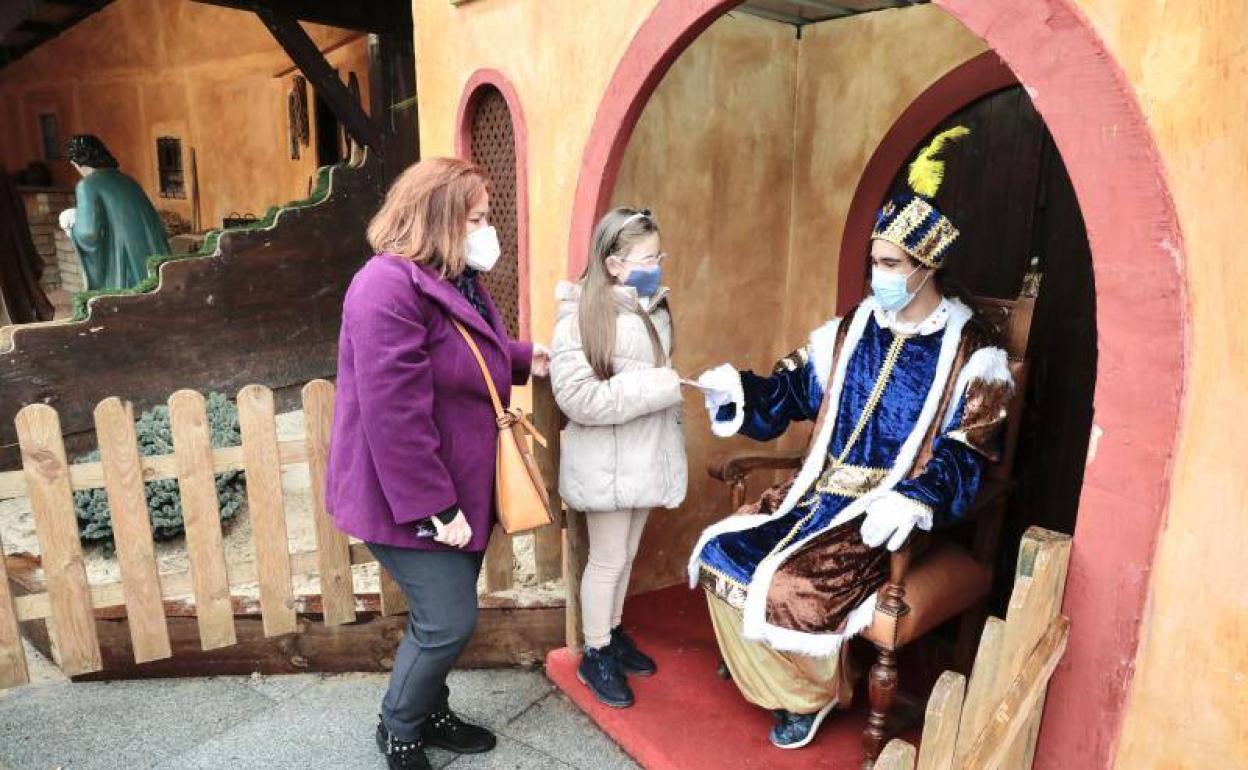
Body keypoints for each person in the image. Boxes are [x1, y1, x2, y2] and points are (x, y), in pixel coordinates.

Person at [688, 127, 1013, 749]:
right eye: (875, 261)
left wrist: (916, 498)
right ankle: (792, 675)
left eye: (891, 265)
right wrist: (742, 392)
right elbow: (793, 389)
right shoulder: (851, 330)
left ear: (927, 267)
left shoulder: (973, 354)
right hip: (817, 491)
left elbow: (969, 452)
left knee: (791, 585)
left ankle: (810, 697)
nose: (878, 275)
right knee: (720, 548)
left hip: (888, 515)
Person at [324, 157, 550, 770]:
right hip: (411, 497)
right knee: (448, 621)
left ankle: (431, 711)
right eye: (475, 217)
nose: (485, 228)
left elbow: (466, 350)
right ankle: (399, 726)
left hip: (462, 485)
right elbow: (393, 412)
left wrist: (526, 358)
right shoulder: (384, 285)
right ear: (439, 218)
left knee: (439, 615)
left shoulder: (448, 277)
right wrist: (436, 508)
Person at [550, 207, 686, 708]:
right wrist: (658, 389)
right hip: (604, 464)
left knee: (626, 555)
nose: (657, 265)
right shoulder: (583, 317)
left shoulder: (651, 307)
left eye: (659, 255)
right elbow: (580, 399)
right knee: (606, 559)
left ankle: (612, 630)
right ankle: (596, 653)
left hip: (643, 457)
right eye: (647, 258)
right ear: (613, 263)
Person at [59, 134, 170, 291]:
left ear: (76, 163)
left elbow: (88, 234)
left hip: (125, 270)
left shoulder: (87, 186)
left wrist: (72, 226)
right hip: (155, 265)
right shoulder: (128, 181)